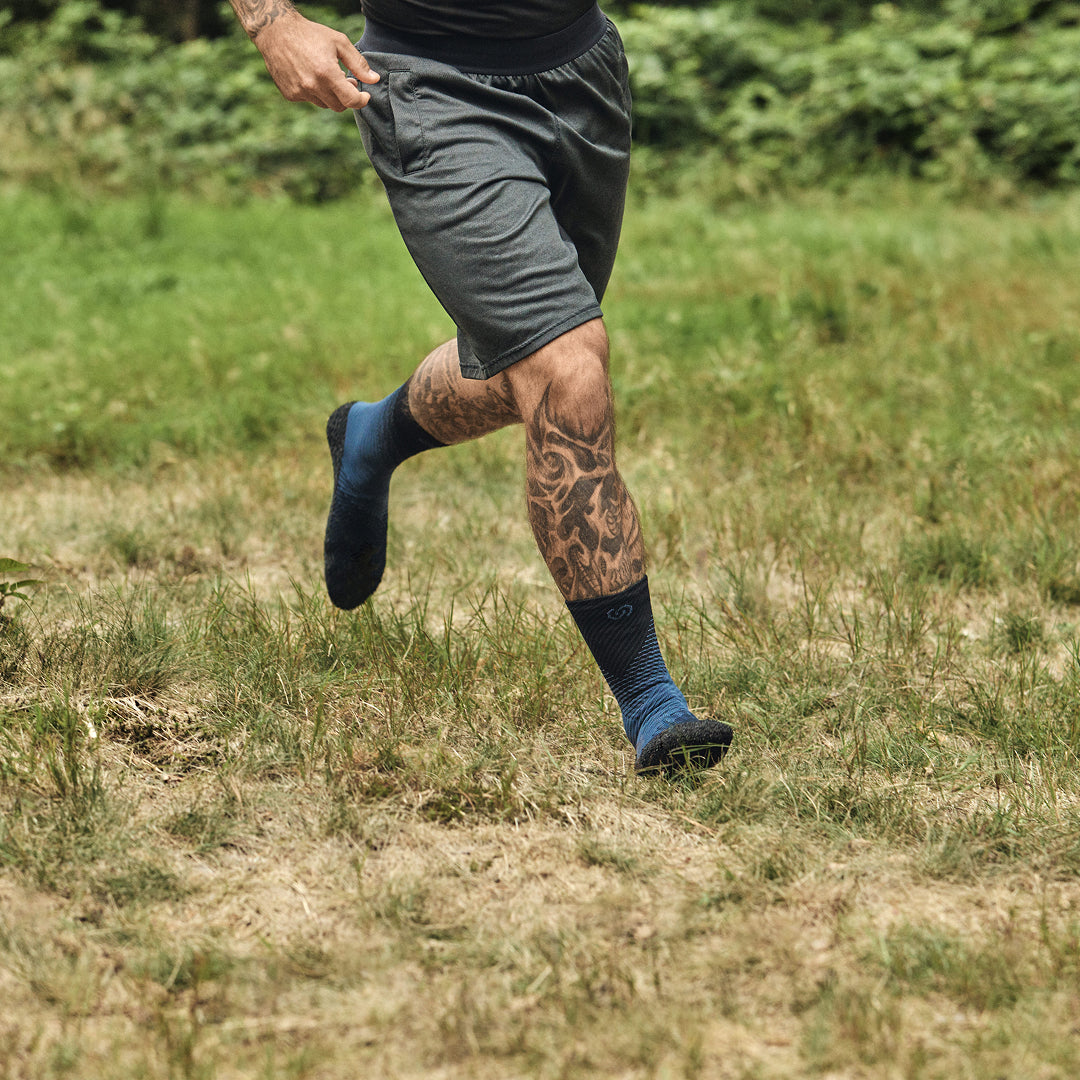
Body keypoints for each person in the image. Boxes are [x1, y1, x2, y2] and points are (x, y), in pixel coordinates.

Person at [229, 0, 732, 773]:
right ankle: (652, 702)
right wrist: (272, 22)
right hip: (433, 85)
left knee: (531, 370)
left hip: (583, 71)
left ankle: (374, 434)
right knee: (565, 371)